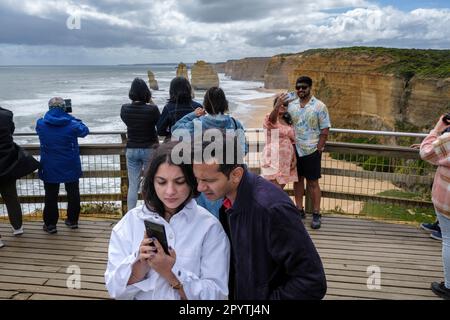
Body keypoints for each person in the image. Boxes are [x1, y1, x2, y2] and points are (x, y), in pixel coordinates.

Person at [192, 132, 327, 299]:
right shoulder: (227, 202)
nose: (199, 188)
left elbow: (312, 281)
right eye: (197, 179)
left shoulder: (271, 209)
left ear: (236, 175)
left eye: (209, 181)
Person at [105, 141, 230, 300]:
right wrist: (139, 263)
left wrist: (172, 273)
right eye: (161, 182)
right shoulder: (130, 222)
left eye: (179, 182)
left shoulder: (210, 227)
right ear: (152, 181)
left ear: (192, 181)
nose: (170, 191)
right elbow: (114, 290)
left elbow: (217, 295)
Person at [171, 86, 247, 218]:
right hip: (228, 179)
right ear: (225, 103)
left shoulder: (197, 123)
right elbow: (242, 151)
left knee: (205, 220)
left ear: (205, 104)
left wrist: (193, 114)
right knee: (229, 219)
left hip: (203, 178)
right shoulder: (235, 124)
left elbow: (176, 131)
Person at [279, 76, 331, 229]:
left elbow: (325, 128)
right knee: (297, 180)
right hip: (295, 150)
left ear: (310, 88)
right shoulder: (291, 105)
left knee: (313, 183)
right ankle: (299, 210)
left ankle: (316, 213)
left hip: (311, 150)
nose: (300, 90)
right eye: (298, 87)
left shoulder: (320, 106)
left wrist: (319, 148)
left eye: (304, 87)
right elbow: (279, 112)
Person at [36, 97, 89, 234]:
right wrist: (74, 118)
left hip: (49, 164)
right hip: (70, 163)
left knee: (51, 195)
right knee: (73, 192)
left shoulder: (41, 123)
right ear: (64, 108)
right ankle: (72, 221)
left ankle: (50, 225)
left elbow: (39, 130)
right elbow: (84, 131)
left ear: (49, 108)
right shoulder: (72, 124)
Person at [420, 115, 450, 300]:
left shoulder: (447, 140)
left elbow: (425, 152)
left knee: (448, 240)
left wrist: (438, 129)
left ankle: (448, 286)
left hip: (447, 201)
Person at [1, 106, 39, 243]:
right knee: (11, 198)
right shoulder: (6, 115)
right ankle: (17, 227)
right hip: (6, 163)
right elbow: (10, 131)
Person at [121, 78, 161, 210]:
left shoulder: (125, 109)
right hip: (149, 149)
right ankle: (150, 211)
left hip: (132, 149)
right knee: (150, 183)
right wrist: (149, 100)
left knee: (133, 185)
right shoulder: (152, 109)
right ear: (146, 93)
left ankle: (130, 215)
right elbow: (158, 122)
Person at [261, 95, 298, 189]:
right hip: (272, 159)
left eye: (285, 105)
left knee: (279, 189)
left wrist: (294, 158)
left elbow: (292, 141)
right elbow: (271, 121)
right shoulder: (270, 118)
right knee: (272, 189)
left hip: (286, 161)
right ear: (275, 105)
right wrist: (277, 106)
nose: (282, 106)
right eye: (279, 104)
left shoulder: (288, 121)